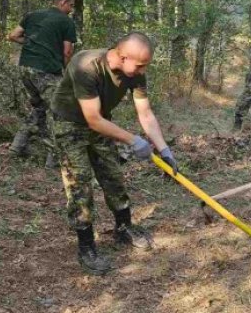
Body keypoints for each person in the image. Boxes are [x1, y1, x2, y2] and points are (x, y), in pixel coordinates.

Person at [49, 32, 180, 275]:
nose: (143, 70)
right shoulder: (86, 65)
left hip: (101, 123)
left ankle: (123, 229)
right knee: (80, 184)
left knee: (113, 176)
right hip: (69, 123)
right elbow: (92, 119)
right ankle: (86, 247)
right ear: (122, 56)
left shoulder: (135, 74)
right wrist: (133, 140)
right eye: (140, 65)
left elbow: (145, 113)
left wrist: (163, 149)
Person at [8, 0, 77, 168]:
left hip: (25, 69)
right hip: (46, 71)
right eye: (70, 5)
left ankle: (17, 146)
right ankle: (53, 160)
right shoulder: (66, 22)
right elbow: (67, 51)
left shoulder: (32, 15)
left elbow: (13, 35)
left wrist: (32, 43)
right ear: (62, 2)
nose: (71, 9)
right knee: (58, 111)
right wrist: (66, 72)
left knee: (39, 107)